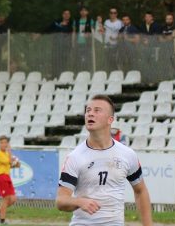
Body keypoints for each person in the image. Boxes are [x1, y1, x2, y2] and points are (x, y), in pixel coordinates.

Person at [56, 95, 153, 226]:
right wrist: (79, 202)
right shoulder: (75, 157)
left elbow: (140, 191)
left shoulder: (127, 154)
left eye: (97, 110)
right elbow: (61, 201)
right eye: (88, 110)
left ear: (110, 119)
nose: (90, 114)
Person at [0, 135, 20, 225]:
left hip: (6, 176)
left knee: (13, 199)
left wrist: (16, 165)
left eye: (5, 142)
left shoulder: (6, 154)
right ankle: (2, 221)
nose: (3, 144)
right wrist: (10, 152)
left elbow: (9, 165)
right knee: (6, 198)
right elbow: (10, 161)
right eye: (1, 143)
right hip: (0, 177)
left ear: (7, 143)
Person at [72, 7, 95, 71]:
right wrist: (73, 42)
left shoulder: (90, 20)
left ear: (87, 12)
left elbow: (93, 32)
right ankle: (79, 72)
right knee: (78, 59)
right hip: (78, 42)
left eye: (85, 10)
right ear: (80, 12)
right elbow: (73, 32)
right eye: (82, 10)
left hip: (87, 43)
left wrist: (89, 35)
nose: (83, 12)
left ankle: (87, 72)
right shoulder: (76, 21)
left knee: (87, 59)